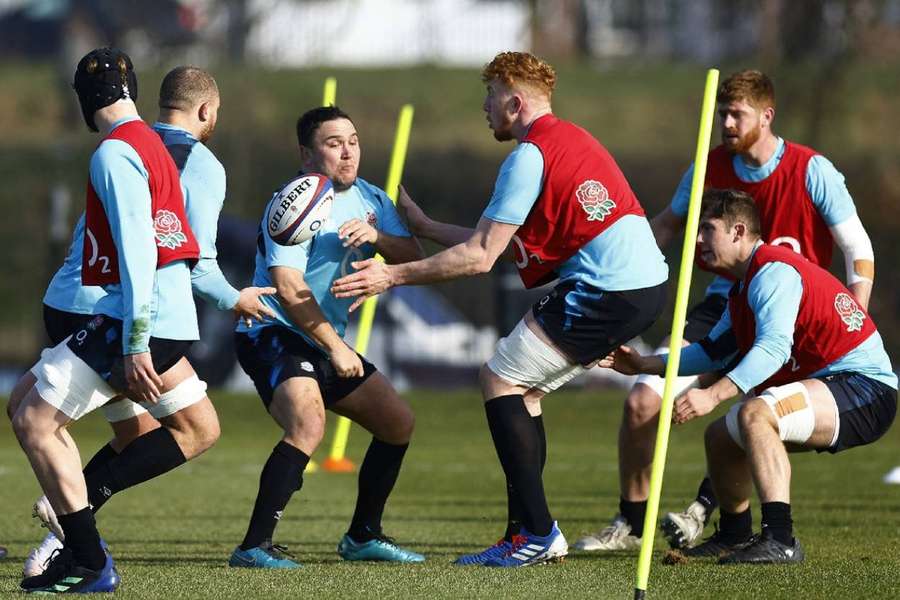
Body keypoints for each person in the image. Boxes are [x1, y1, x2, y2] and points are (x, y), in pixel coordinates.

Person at [331, 51, 668, 567]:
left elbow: (480, 258)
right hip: (636, 288)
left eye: (490, 96)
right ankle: (522, 535)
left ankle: (537, 533)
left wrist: (391, 274)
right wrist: (425, 228)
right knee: (523, 391)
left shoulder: (529, 157)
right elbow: (500, 242)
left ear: (514, 101)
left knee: (497, 379)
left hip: (610, 290)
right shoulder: (567, 139)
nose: (484, 107)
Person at [575, 69, 878, 552]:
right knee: (643, 402)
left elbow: (857, 247)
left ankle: (734, 522)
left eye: (737, 114)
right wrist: (619, 281)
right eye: (723, 114)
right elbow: (668, 225)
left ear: (767, 115)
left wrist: (854, 316)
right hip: (725, 310)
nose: (728, 124)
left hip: (794, 320)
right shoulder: (707, 167)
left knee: (754, 415)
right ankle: (636, 523)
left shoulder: (811, 170)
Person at [17, 66, 276, 577]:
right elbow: (188, 258)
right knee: (182, 429)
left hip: (70, 300)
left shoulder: (126, 139)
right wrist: (233, 298)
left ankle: (74, 527)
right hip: (120, 311)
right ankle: (74, 533)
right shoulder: (199, 163)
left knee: (155, 430)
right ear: (207, 111)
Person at [602, 189, 896, 564]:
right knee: (721, 438)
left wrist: (713, 395)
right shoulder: (744, 285)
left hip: (863, 388)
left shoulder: (774, 272)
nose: (697, 240)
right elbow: (712, 350)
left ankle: (781, 539)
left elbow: (773, 349)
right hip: (833, 385)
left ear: (739, 231)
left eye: (708, 229)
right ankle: (733, 535)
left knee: (755, 414)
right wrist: (645, 365)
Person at [9, 47, 206, 593]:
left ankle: (88, 559)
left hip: (137, 321)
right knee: (27, 408)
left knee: (33, 422)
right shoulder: (152, 145)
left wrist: (137, 341)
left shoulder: (114, 152)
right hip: (152, 317)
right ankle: (82, 551)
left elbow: (141, 251)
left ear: (83, 101)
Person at [228, 105, 425, 569]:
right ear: (306, 153)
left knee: (398, 423)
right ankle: (254, 546)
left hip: (322, 339)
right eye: (334, 143)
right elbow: (290, 289)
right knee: (309, 424)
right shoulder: (292, 201)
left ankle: (362, 536)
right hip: (272, 331)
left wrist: (377, 236)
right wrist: (337, 348)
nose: (347, 152)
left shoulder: (373, 199)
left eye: (353, 141)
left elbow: (412, 255)